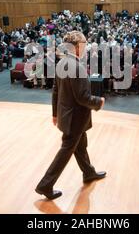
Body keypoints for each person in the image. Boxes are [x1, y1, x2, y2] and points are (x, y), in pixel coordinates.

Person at [35, 31, 106, 200]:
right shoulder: (77, 67)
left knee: (80, 146)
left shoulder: (61, 63)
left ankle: (88, 172)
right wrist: (99, 102)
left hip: (68, 116)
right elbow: (83, 97)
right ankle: (45, 185)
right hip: (76, 118)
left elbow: (55, 91)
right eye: (84, 44)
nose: (86, 47)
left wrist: (54, 114)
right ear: (75, 47)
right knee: (66, 150)